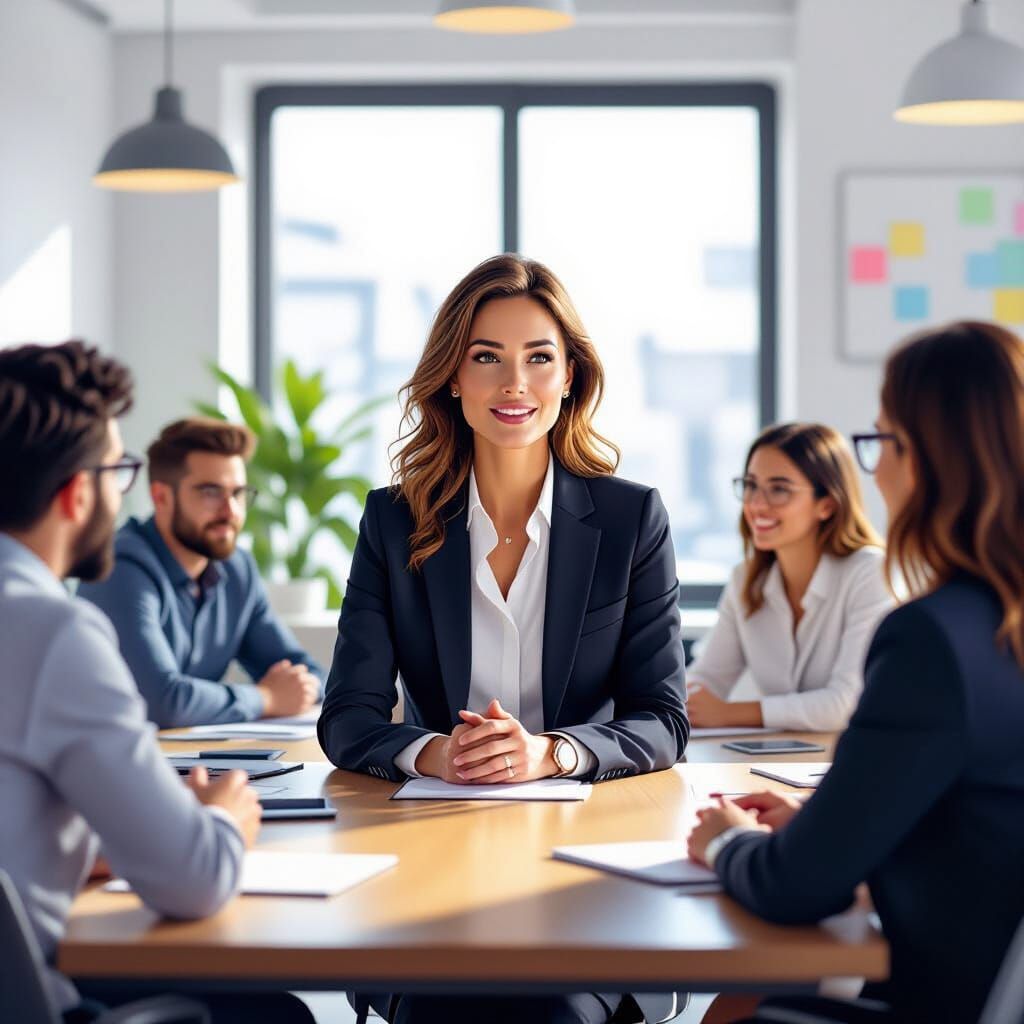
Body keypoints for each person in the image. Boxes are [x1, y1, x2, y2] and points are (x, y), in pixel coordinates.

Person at [319, 254, 689, 1024]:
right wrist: (435, 754)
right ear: (453, 377)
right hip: (431, 861)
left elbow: (664, 719)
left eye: (538, 358)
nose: (513, 384)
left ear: (570, 379)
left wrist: (552, 751)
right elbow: (348, 718)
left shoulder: (631, 520)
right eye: (487, 357)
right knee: (443, 999)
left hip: (582, 864)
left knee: (553, 1005)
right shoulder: (394, 522)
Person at [688, 320, 1024, 1024]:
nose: (878, 469)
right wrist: (826, 823)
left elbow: (792, 888)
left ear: (931, 458)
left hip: (941, 998)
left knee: (735, 1009)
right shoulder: (1000, 625)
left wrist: (725, 841)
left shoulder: (934, 639)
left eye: (883, 442)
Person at [0, 341, 314, 1023]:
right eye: (119, 471)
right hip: (37, 1000)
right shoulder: (53, 631)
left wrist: (91, 845)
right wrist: (224, 818)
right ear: (80, 492)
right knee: (275, 1015)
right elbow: (195, 878)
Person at [79, 417, 323, 728]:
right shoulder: (119, 568)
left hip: (192, 764)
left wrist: (301, 688)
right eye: (211, 492)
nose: (231, 511)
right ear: (161, 497)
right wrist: (267, 698)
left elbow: (306, 674)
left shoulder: (237, 570)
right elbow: (161, 703)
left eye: (238, 493)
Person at [686, 423, 891, 732]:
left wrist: (728, 713)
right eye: (751, 485)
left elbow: (848, 702)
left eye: (779, 489)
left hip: (855, 759)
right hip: (784, 763)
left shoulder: (869, 572)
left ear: (827, 504)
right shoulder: (746, 580)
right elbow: (706, 682)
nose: (756, 504)